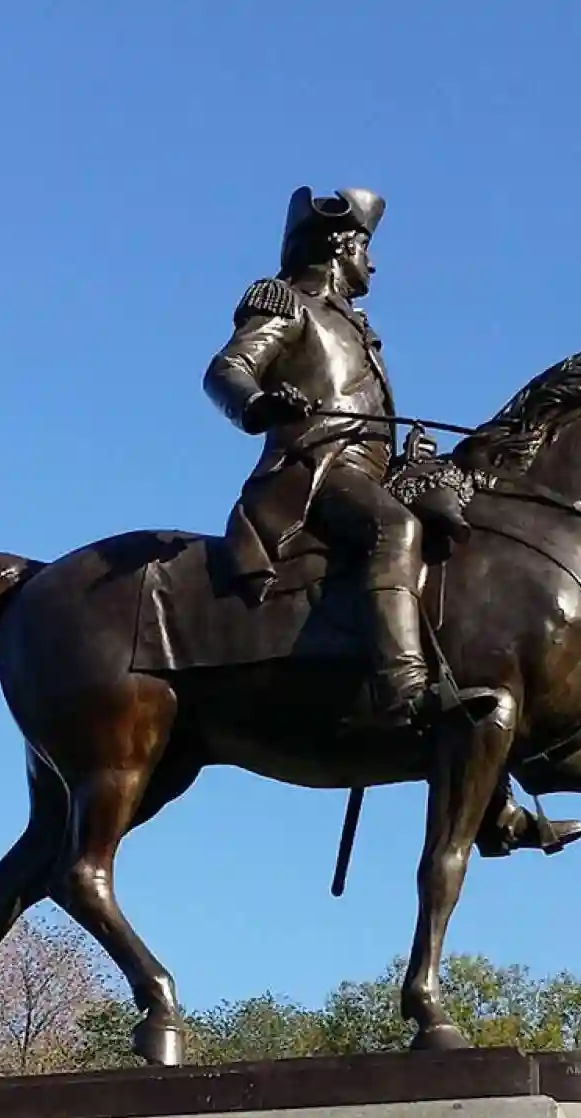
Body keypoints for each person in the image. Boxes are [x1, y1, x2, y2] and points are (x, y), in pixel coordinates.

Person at [204, 186, 462, 729]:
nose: (374, 262)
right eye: (367, 248)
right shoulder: (288, 301)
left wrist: (400, 453)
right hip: (313, 471)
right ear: (344, 246)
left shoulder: (359, 329)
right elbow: (227, 369)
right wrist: (260, 403)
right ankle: (403, 687)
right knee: (394, 529)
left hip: (366, 472)